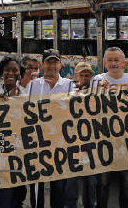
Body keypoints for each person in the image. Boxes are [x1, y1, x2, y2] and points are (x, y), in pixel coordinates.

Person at [28, 49, 78, 208]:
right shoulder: (33, 85)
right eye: (48, 62)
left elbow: (79, 109)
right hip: (38, 141)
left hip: (60, 142)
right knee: (37, 185)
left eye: (55, 62)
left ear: (60, 64)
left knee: (59, 185)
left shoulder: (70, 85)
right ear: (42, 65)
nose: (52, 65)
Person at [92, 47, 128, 208]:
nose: (113, 63)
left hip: (127, 140)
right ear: (104, 63)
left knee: (127, 182)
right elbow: (89, 104)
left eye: (116, 60)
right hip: (104, 140)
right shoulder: (97, 79)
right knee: (103, 182)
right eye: (110, 60)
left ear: (123, 62)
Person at [0, 57, 27, 208]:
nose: (11, 73)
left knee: (19, 192)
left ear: (20, 73)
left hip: (21, 150)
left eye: (15, 70)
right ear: (1, 72)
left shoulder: (26, 94)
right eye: (7, 70)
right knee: (3, 192)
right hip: (0, 150)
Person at [72, 62, 97, 208]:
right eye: (81, 75)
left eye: (87, 75)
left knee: (91, 182)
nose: (85, 78)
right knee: (73, 182)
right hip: (73, 145)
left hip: (92, 146)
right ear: (76, 76)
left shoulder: (98, 92)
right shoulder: (66, 93)